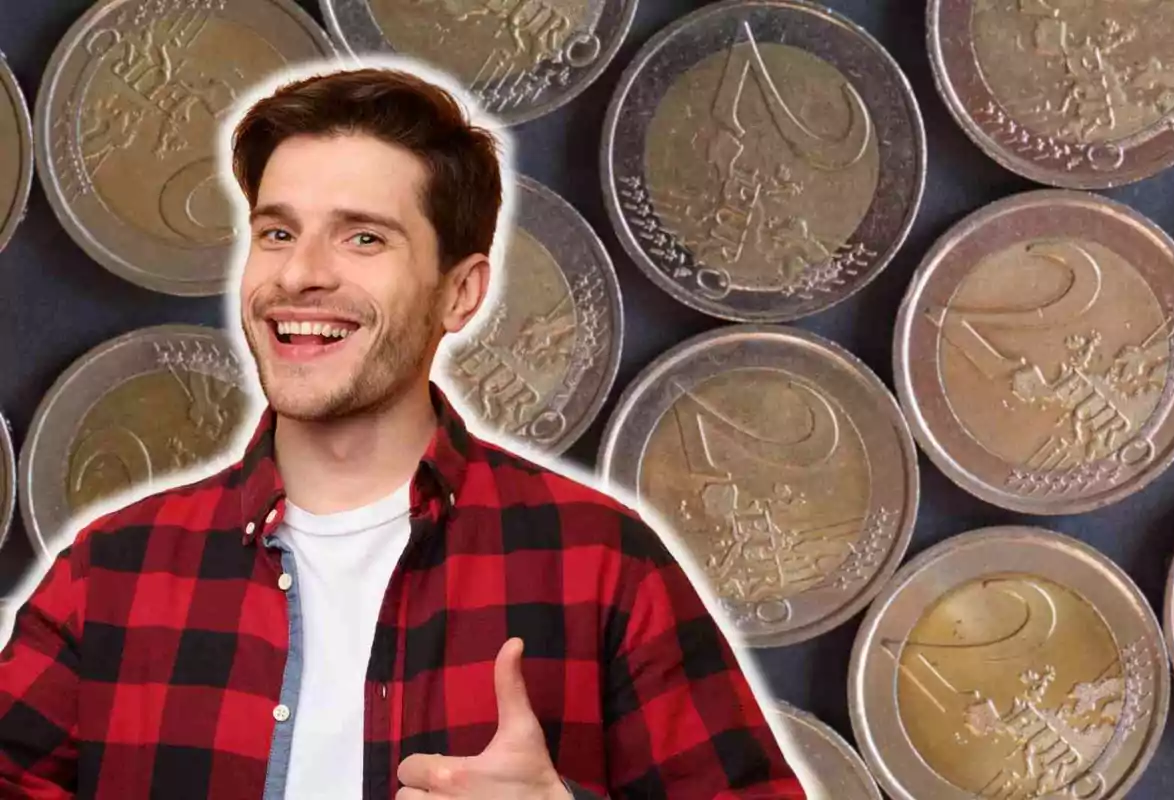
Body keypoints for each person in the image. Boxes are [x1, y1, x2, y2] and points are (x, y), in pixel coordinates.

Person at [0, 66, 805, 800]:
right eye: (277, 232)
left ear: (461, 293)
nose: (299, 273)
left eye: (363, 237)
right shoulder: (107, 575)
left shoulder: (603, 566)